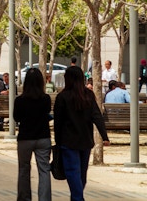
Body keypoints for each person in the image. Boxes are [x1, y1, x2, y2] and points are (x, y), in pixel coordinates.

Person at [55, 65, 109, 200]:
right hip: (85, 141)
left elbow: (58, 122)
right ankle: (77, 198)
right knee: (81, 175)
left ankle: (78, 198)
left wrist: (57, 141)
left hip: (68, 142)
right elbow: (97, 116)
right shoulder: (88, 95)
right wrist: (104, 136)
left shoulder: (62, 97)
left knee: (73, 173)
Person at [14, 67, 52, 201]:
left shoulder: (20, 100)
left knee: (24, 169)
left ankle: (24, 198)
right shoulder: (46, 99)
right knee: (44, 170)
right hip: (43, 136)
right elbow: (47, 112)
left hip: (25, 138)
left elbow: (16, 117)